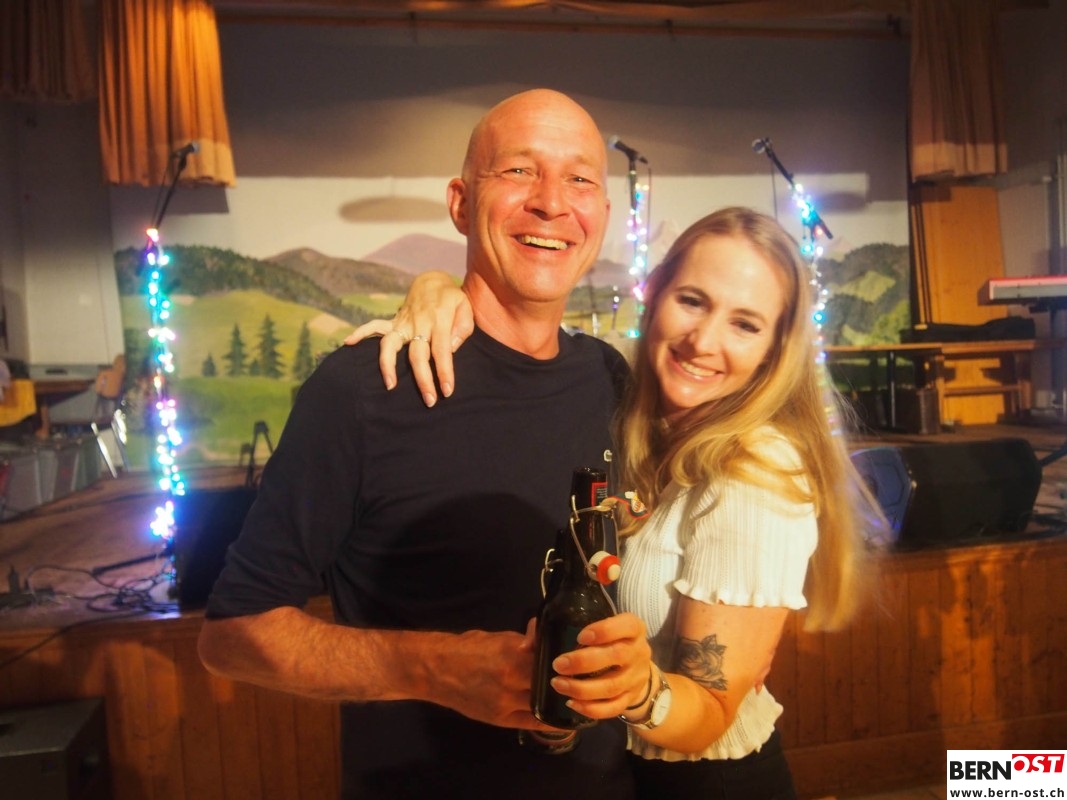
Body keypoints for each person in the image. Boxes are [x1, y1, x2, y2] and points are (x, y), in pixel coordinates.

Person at [197, 88, 642, 800]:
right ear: (461, 203)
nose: (552, 202)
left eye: (580, 178)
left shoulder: (610, 379)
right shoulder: (365, 389)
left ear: (603, 216)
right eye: (519, 171)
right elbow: (233, 635)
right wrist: (430, 667)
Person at [353, 206, 885, 799]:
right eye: (692, 301)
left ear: (775, 350)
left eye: (745, 324)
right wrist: (434, 288)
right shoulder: (629, 407)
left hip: (707, 785)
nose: (703, 341)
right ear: (653, 295)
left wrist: (637, 689)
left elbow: (712, 711)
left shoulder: (755, 470)